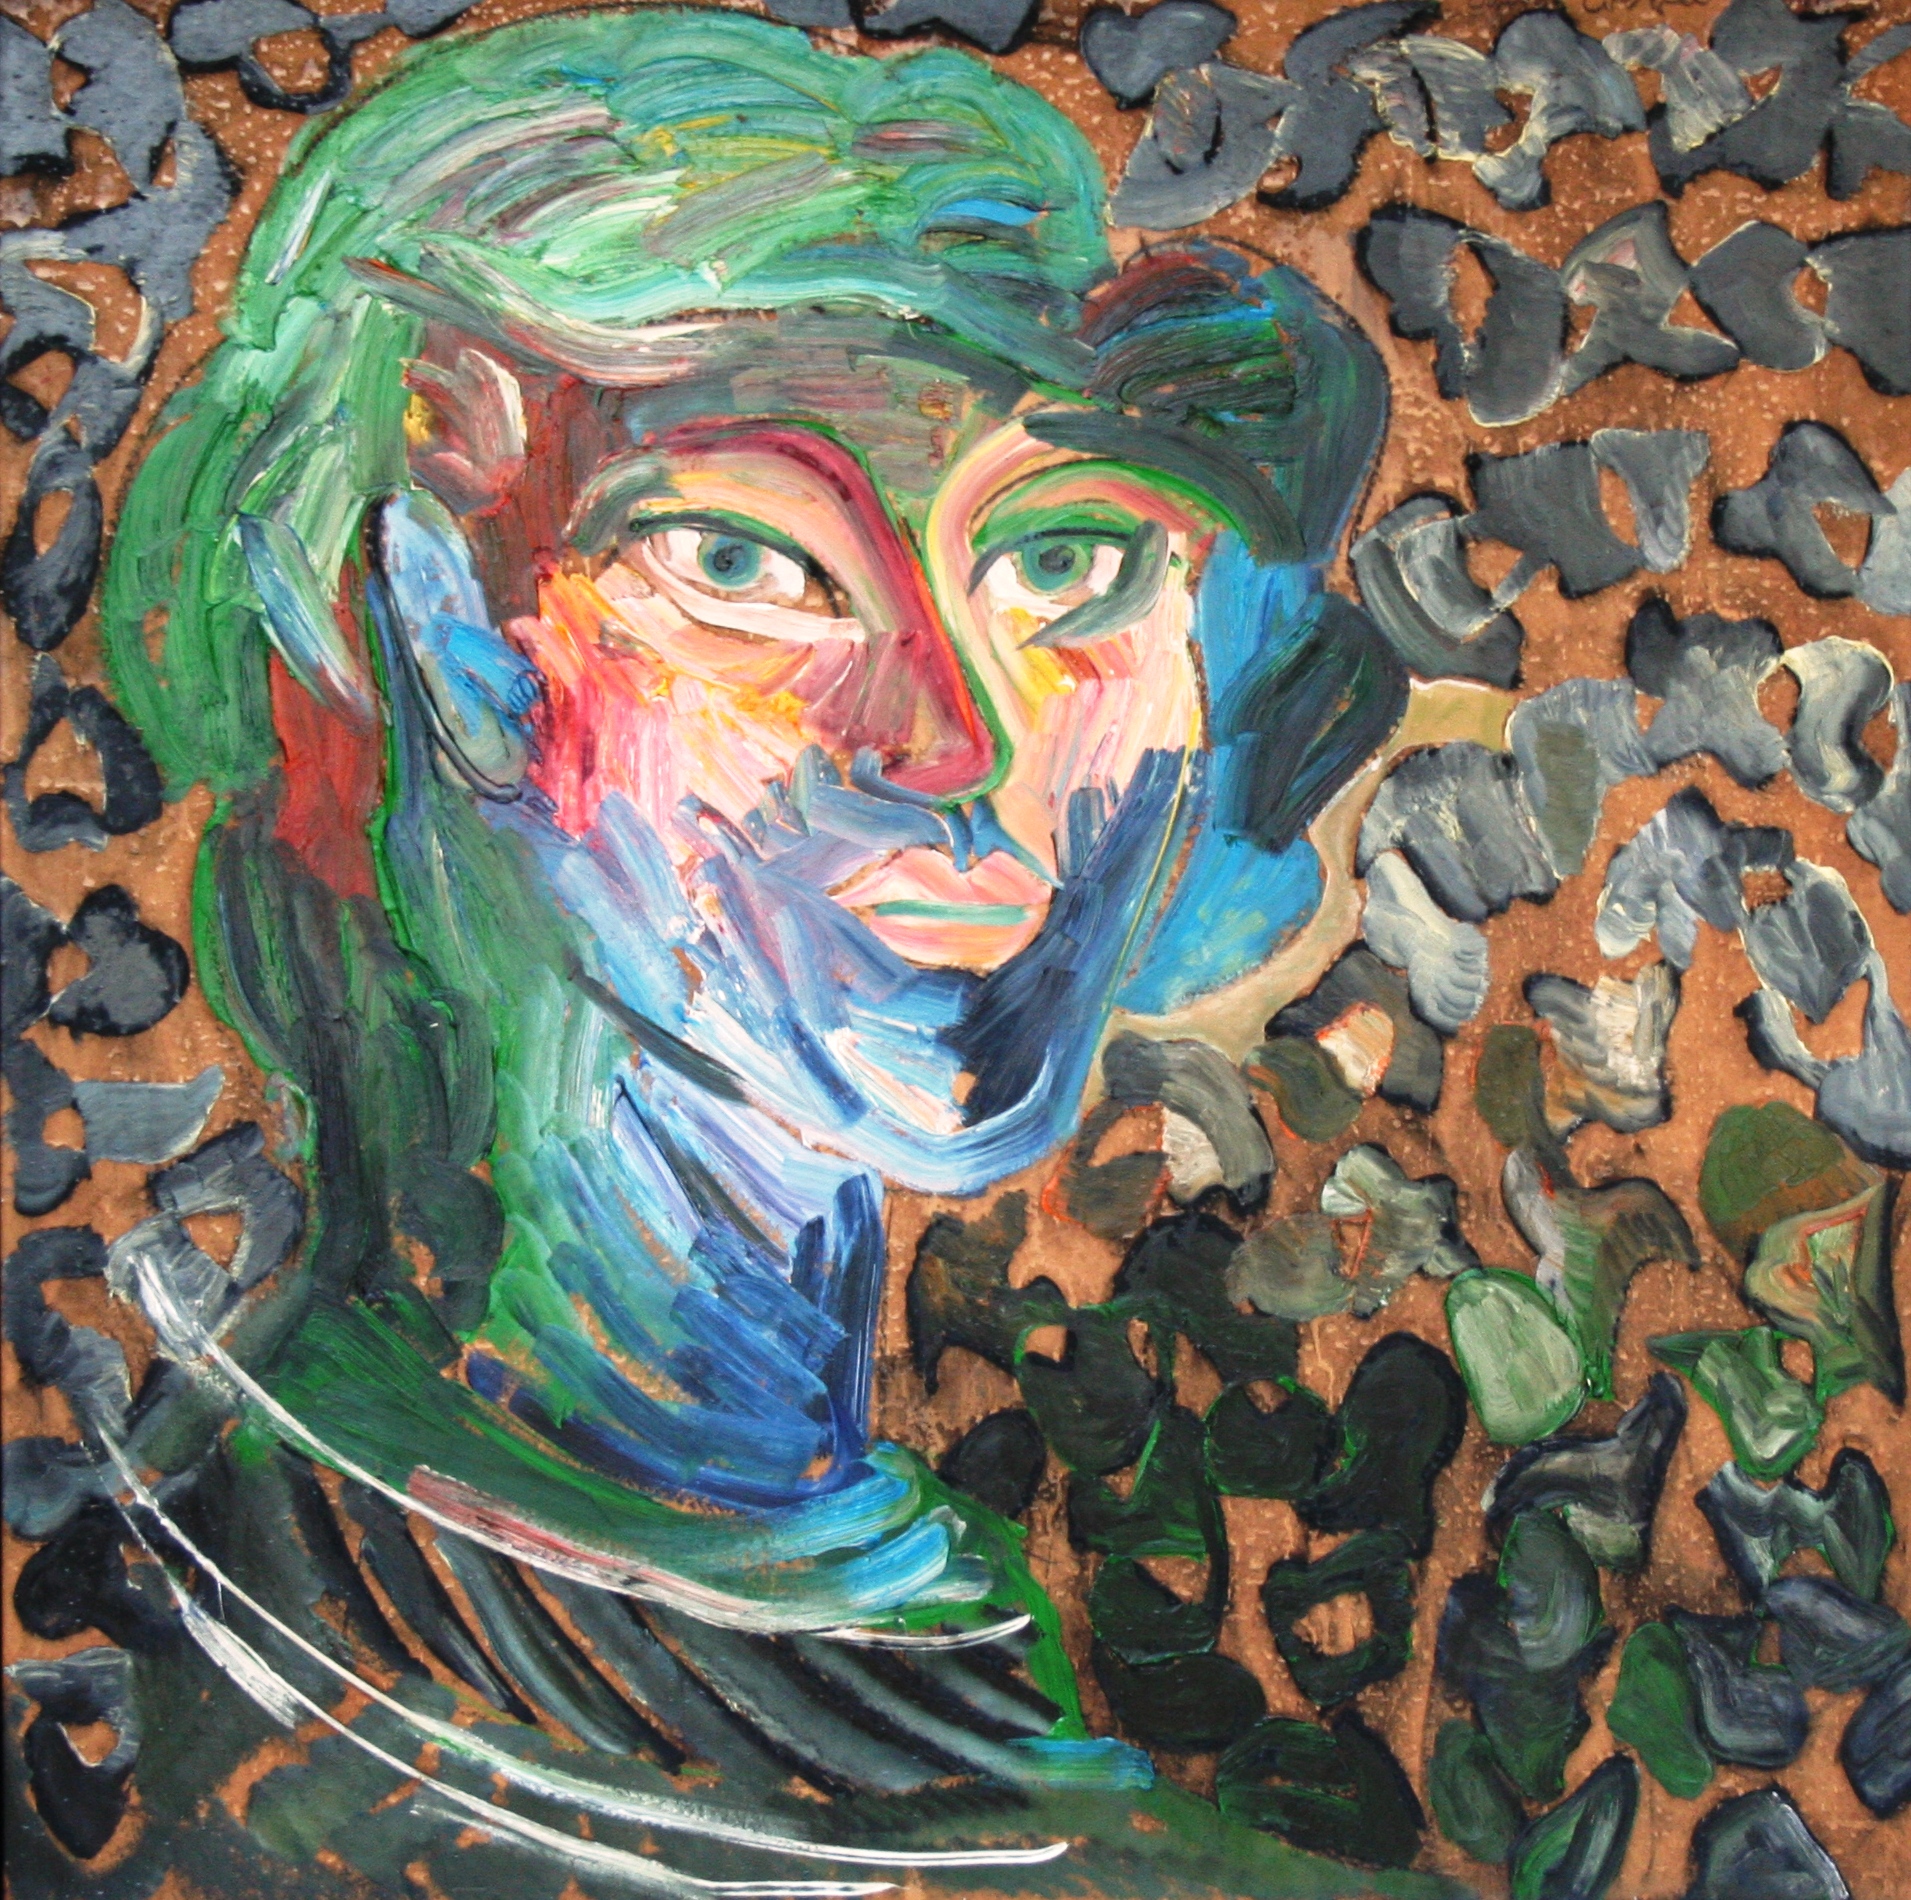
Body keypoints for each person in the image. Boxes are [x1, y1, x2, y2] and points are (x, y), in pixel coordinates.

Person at [99, 7, 1413, 1887]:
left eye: (1067, 563)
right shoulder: (186, 1704)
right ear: (432, 620)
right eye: (744, 562)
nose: (960, 740)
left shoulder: (1002, 1719)